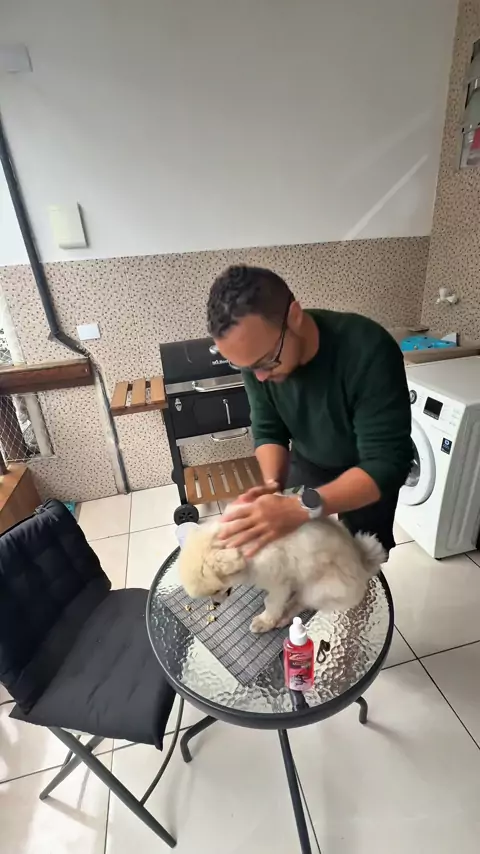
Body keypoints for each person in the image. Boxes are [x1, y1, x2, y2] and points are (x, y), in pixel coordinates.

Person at [206, 264, 412, 559]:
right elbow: (268, 428)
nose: (259, 377)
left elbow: (387, 463)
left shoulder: (369, 350)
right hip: (309, 460)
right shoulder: (257, 358)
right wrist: (272, 487)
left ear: (295, 316)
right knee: (298, 555)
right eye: (248, 368)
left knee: (362, 560)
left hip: (368, 472)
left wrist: (301, 507)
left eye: (266, 361)